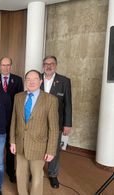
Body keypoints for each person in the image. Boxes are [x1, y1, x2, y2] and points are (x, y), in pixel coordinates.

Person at [10, 70, 59, 195]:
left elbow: (53, 128)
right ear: (25, 81)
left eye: (35, 79)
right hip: (20, 144)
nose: (31, 82)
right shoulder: (18, 97)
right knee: (20, 175)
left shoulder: (50, 100)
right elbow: (13, 121)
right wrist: (12, 142)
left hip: (39, 146)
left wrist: (51, 150)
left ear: (40, 81)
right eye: (28, 79)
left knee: (37, 177)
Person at [0, 57, 23, 183]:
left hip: (12, 119)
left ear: (11, 66)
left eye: (8, 65)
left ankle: (10, 170)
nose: (6, 67)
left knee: (11, 146)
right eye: (3, 65)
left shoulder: (18, 80)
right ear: (0, 66)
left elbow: (20, 100)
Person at [41, 55, 72, 188]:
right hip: (39, 123)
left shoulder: (64, 81)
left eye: (51, 63)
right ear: (43, 65)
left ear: (56, 65)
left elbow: (68, 104)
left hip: (56, 123)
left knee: (55, 149)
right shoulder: (37, 79)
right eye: (46, 64)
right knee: (38, 147)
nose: (49, 66)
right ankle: (36, 172)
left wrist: (67, 124)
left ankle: (53, 174)